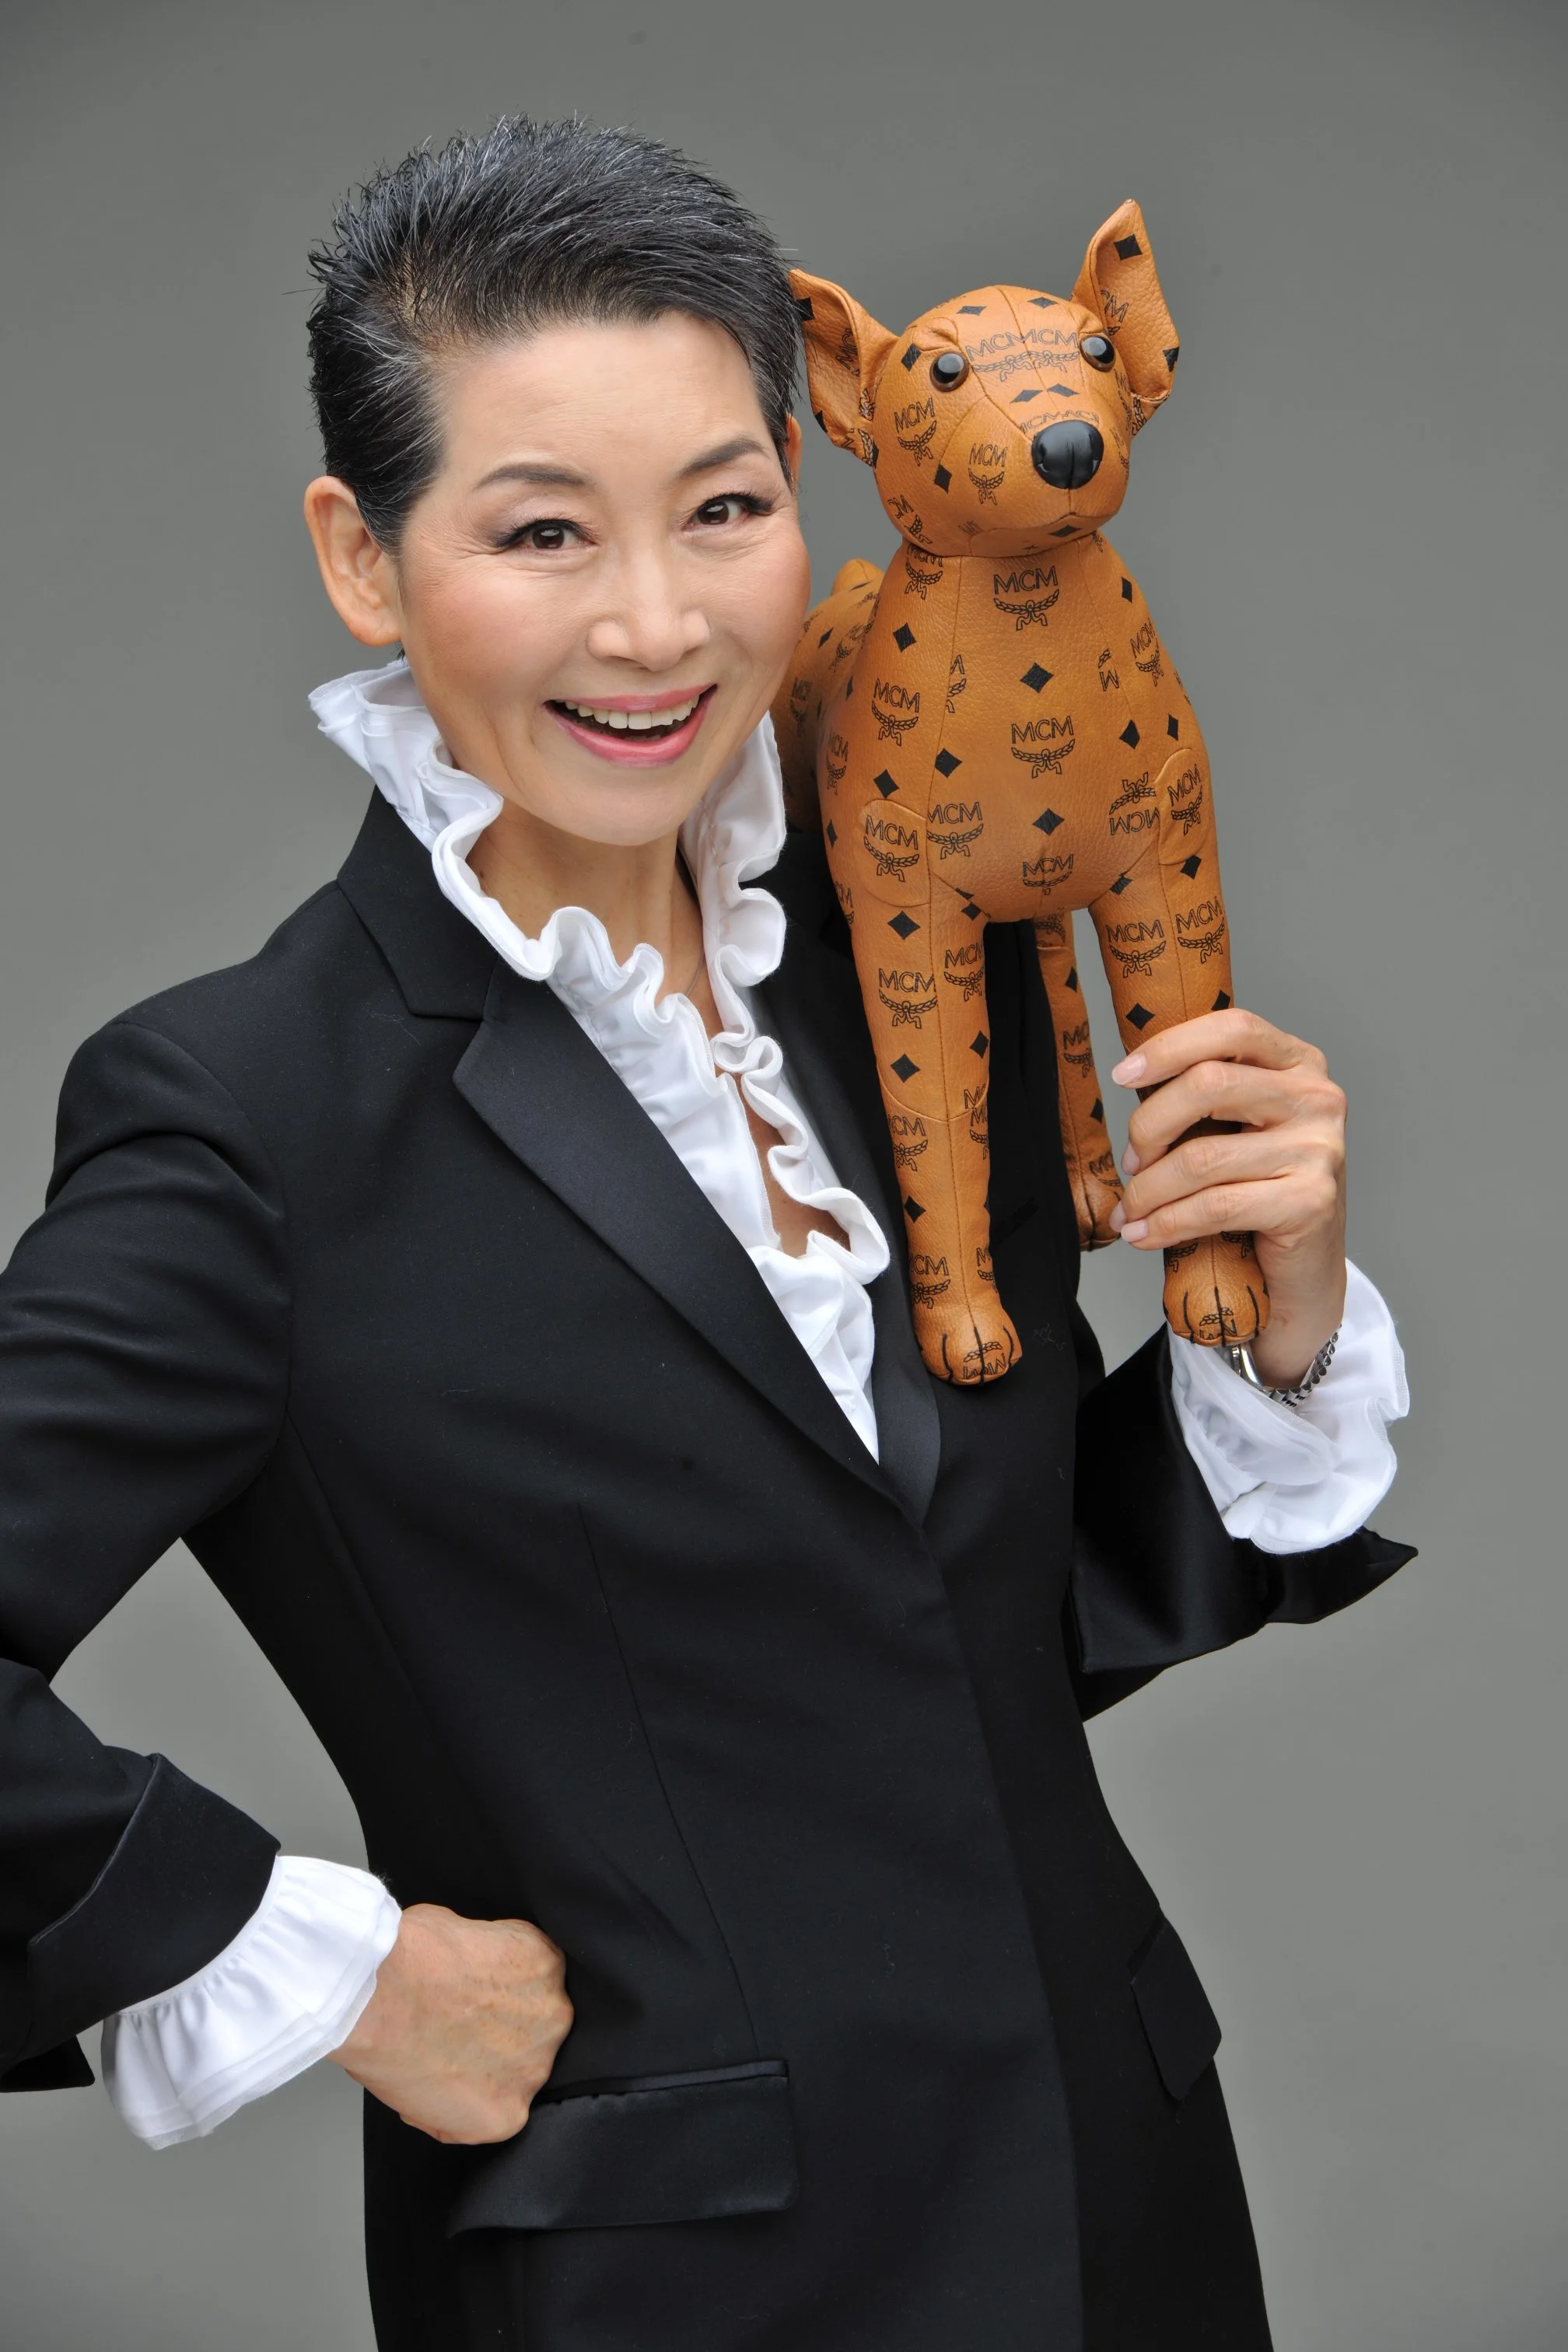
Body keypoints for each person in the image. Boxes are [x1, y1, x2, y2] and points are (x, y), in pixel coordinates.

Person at [0, 117, 1409, 2351]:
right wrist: (331, 1971)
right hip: (677, 2286)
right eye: (540, 530)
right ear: (365, 561)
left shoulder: (909, 960)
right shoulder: (251, 1112)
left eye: (725, 511)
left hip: (1122, 2213)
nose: (654, 627)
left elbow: (960, 1627)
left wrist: (1277, 1333)